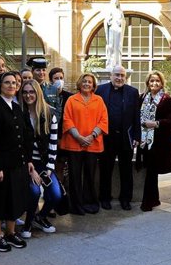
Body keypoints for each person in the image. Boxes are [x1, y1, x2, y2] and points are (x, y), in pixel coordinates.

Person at [0, 72, 34, 252]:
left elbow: (26, 135)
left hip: (17, 163)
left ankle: (11, 233)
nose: (12, 85)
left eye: (14, 83)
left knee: (14, 200)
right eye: (7, 83)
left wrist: (27, 160)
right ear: (0, 85)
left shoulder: (17, 107)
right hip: (1, 165)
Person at [60, 72, 109, 214]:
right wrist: (79, 137)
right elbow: (67, 119)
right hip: (74, 143)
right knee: (74, 176)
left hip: (92, 144)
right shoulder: (71, 100)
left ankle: (90, 203)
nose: (87, 84)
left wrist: (92, 136)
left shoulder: (99, 100)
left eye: (89, 82)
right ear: (79, 84)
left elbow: (104, 120)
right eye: (84, 81)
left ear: (93, 85)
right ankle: (76, 205)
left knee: (90, 175)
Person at [95, 65, 141, 211]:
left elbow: (136, 116)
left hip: (125, 137)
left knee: (126, 170)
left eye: (122, 75)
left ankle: (125, 199)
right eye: (117, 75)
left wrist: (137, 135)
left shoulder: (132, 92)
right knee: (105, 169)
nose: (120, 78)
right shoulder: (100, 91)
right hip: (106, 138)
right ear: (111, 76)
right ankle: (105, 198)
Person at [20, 79, 60, 237]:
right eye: (25, 92)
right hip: (28, 164)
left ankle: (40, 217)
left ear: (38, 93)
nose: (28, 95)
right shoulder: (19, 113)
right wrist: (30, 170)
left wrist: (49, 169)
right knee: (35, 192)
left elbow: (53, 142)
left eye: (31, 92)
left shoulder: (50, 113)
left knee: (56, 194)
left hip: (44, 162)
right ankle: (27, 224)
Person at [138, 71, 171, 212]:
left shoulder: (165, 99)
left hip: (158, 142)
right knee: (149, 170)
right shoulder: (142, 98)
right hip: (144, 141)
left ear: (161, 83)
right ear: (148, 83)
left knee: (151, 171)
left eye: (157, 81)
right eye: (152, 81)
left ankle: (147, 202)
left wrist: (155, 123)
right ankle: (155, 199)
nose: (154, 83)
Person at [104, 0, 125, 70]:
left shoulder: (120, 11)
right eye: (114, 1)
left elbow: (123, 21)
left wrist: (121, 22)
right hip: (112, 29)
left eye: (117, 1)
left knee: (117, 46)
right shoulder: (110, 10)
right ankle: (110, 62)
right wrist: (109, 21)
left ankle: (117, 62)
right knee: (111, 46)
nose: (116, 2)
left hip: (118, 30)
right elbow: (106, 21)